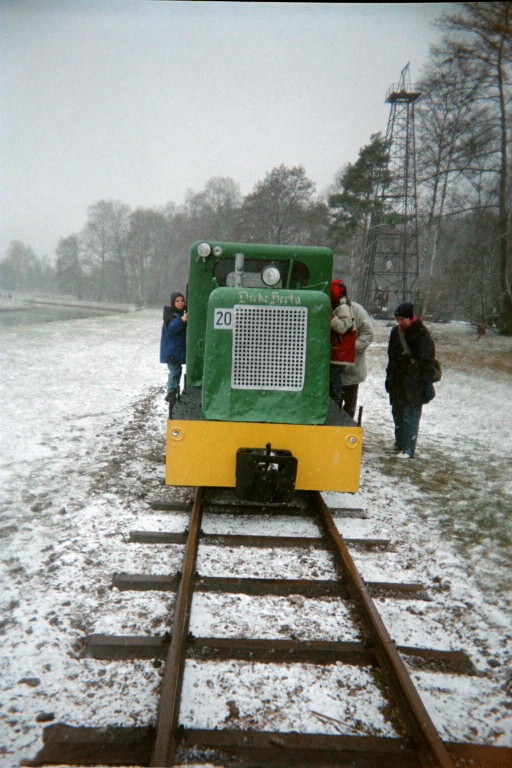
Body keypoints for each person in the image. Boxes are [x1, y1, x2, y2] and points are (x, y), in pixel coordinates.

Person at [385, 302, 436, 459]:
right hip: (398, 381)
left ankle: (409, 448)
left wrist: (426, 383)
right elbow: (391, 357)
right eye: (398, 319)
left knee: (410, 416)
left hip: (415, 382)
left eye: (403, 319)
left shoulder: (421, 333)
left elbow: (427, 361)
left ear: (410, 317)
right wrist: (389, 377)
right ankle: (400, 443)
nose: (400, 322)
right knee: (397, 414)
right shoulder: (396, 332)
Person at [340, 295, 374, 419]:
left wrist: (349, 348)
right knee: (331, 405)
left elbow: (368, 334)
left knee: (349, 407)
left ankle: (345, 429)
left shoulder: (357, 311)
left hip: (351, 369)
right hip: (331, 370)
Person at [329, 279, 356, 406]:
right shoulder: (343, 306)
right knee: (333, 376)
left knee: (334, 377)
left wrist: (331, 318)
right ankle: (336, 399)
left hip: (340, 351)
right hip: (338, 351)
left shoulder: (343, 307)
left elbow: (344, 326)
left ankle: (336, 400)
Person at [160, 291, 187, 403]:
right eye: (177, 301)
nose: (180, 303)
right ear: (173, 303)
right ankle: (171, 392)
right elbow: (172, 329)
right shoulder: (171, 316)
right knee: (175, 371)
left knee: (177, 371)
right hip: (172, 351)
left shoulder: (178, 314)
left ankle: (173, 391)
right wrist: (182, 320)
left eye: (182, 301)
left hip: (175, 350)